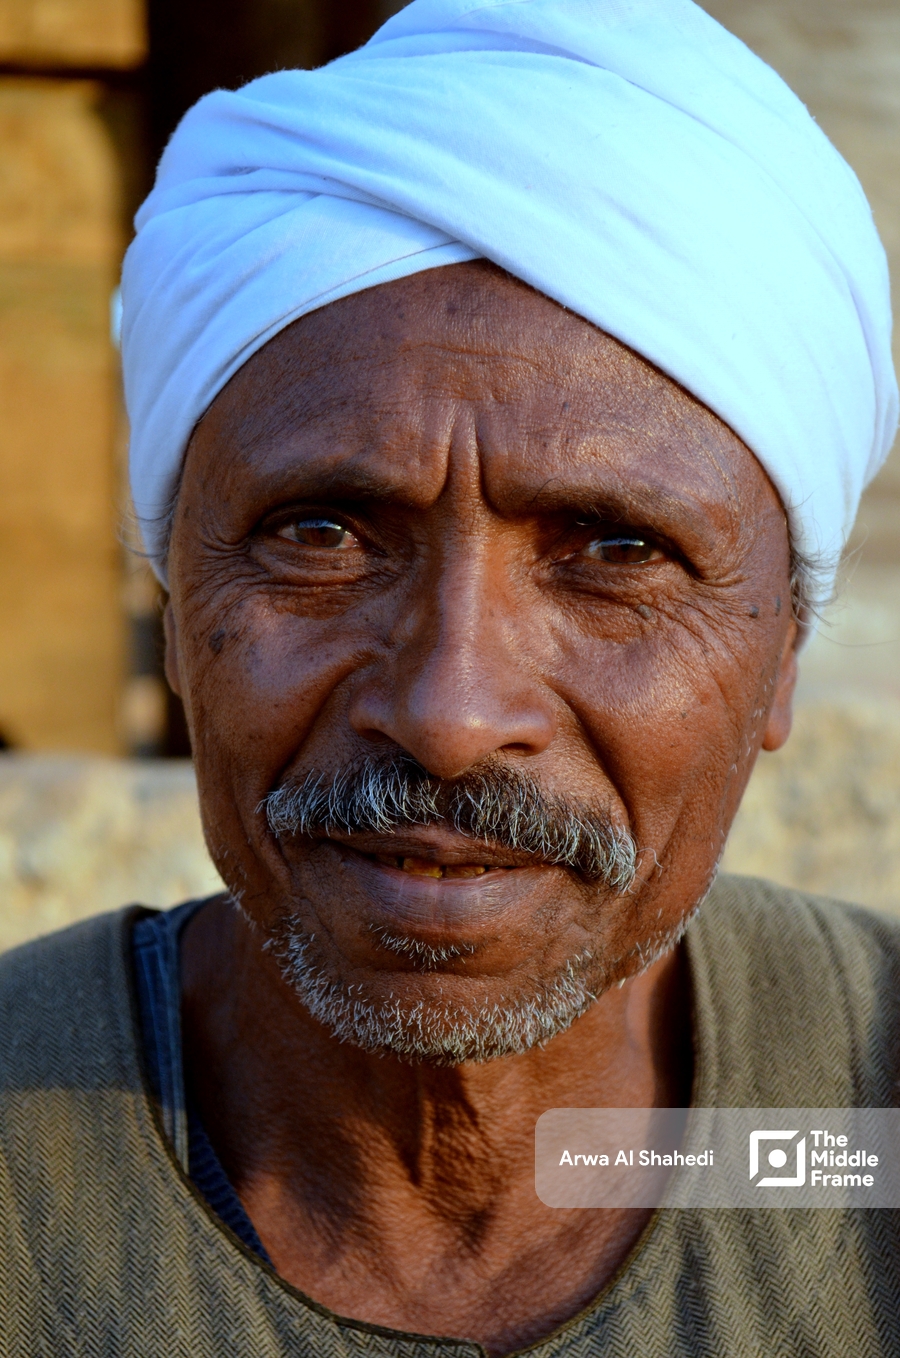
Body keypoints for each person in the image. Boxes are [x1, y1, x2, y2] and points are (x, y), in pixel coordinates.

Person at [1, 1, 898, 1353]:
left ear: (784, 648)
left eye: (616, 553)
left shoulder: (859, 1136)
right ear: (176, 607)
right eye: (321, 535)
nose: (450, 713)